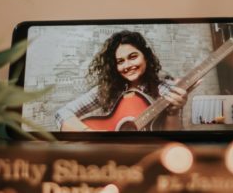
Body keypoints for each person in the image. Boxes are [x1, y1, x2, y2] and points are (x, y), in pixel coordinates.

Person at [55, 30, 188, 131]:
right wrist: (89, 133)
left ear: (146, 57)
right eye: (120, 61)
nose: (128, 65)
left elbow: (172, 140)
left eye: (133, 57)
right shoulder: (107, 89)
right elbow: (62, 114)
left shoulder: (167, 90)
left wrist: (173, 113)